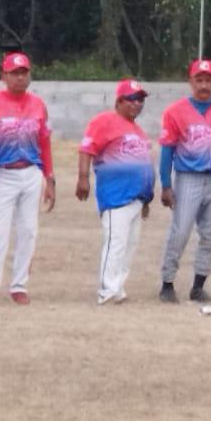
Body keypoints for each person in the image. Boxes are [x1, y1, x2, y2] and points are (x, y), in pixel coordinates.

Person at [158, 58, 211, 305]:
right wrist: (166, 184)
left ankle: (198, 286)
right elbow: (167, 150)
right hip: (188, 177)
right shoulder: (176, 111)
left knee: (210, 235)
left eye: (208, 80)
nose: (204, 85)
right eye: (199, 80)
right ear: (190, 81)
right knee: (181, 231)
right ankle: (167, 282)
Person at [0, 51, 55, 305]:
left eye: (24, 73)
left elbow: (44, 143)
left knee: (28, 230)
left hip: (30, 172)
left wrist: (49, 179)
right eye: (15, 73)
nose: (20, 78)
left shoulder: (38, 104)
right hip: (3, 173)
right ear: (4, 76)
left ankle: (19, 285)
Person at [76, 79, 155, 305]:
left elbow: (143, 164)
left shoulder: (138, 130)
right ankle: (106, 290)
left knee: (130, 246)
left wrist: (147, 197)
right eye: (132, 99)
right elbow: (87, 149)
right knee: (115, 243)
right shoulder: (105, 121)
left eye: (140, 100)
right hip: (116, 195)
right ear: (119, 101)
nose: (137, 104)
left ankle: (118, 287)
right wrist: (83, 178)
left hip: (137, 197)